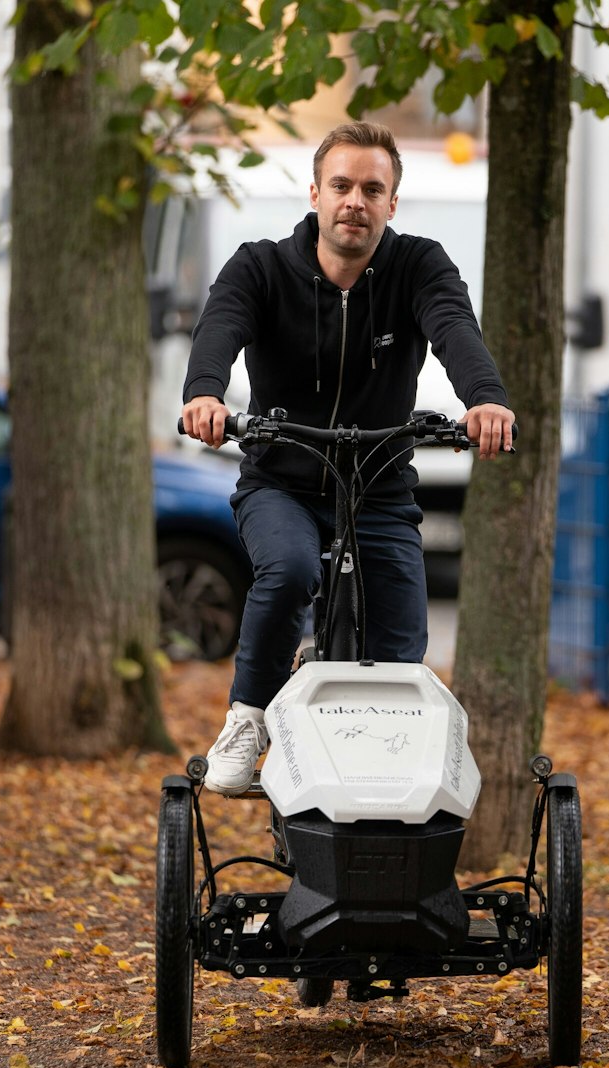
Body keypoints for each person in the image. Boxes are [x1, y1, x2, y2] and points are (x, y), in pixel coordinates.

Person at [179, 122, 517, 797]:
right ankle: (248, 720)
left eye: (372, 188)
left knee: (401, 645)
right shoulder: (261, 266)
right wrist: (205, 394)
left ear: (393, 203)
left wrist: (485, 399)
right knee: (290, 569)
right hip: (281, 481)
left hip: (380, 487)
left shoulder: (419, 265)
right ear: (315, 193)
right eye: (341, 186)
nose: (354, 201)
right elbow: (221, 325)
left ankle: (390, 790)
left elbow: (453, 326)